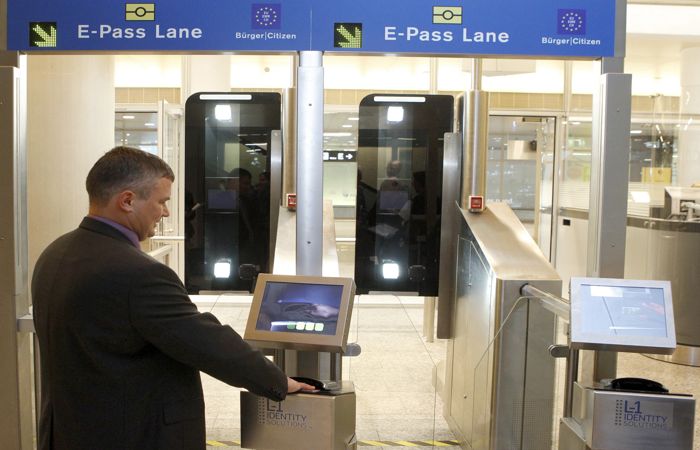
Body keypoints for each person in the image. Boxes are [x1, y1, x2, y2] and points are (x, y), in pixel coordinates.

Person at [31, 146, 313, 450]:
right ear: (127, 200)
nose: (165, 212)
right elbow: (205, 341)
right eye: (161, 202)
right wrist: (278, 381)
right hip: (131, 434)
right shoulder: (139, 273)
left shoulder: (55, 253)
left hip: (70, 430)